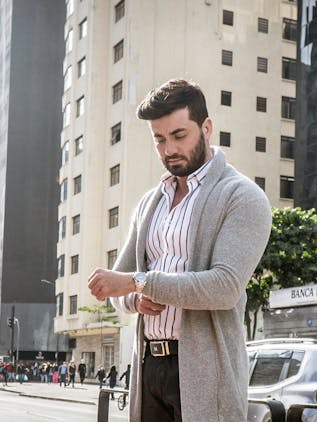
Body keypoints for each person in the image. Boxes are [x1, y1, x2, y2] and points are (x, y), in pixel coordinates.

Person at [87, 79, 272, 421]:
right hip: (147, 367)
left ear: (206, 128)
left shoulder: (242, 197)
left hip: (205, 371)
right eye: (159, 139)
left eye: (179, 135)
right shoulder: (149, 203)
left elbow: (224, 288)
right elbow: (121, 288)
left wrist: (138, 283)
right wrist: (133, 297)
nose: (169, 148)